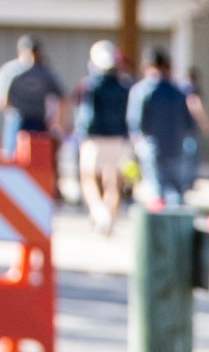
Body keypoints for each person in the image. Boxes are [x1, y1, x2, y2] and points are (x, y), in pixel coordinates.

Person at [127, 47, 209, 208]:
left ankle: (160, 228)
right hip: (175, 146)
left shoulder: (142, 90)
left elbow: (135, 121)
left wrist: (137, 141)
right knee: (176, 190)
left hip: (152, 146)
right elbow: (188, 123)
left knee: (156, 190)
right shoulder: (178, 91)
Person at [72, 42, 134, 234]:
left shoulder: (89, 86)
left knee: (88, 178)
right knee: (113, 181)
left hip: (94, 138)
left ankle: (99, 212)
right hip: (118, 139)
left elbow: (84, 114)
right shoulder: (125, 86)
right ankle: (109, 219)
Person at [0, 35, 66, 156]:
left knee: (40, 158)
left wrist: (58, 122)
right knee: (15, 156)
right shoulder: (12, 71)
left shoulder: (44, 72)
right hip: (18, 119)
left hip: (39, 120)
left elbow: (62, 97)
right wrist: (12, 108)